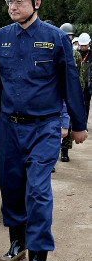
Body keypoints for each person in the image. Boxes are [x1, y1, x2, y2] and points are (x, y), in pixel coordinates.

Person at [0, 0, 88, 261]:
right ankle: (18, 242)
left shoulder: (55, 38)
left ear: (36, 2)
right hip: (7, 127)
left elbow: (71, 81)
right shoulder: (1, 37)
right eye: (10, 0)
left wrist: (77, 123)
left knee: (38, 191)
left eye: (19, 0)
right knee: (12, 188)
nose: (12, 5)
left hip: (44, 127)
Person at [59, 23, 81, 162]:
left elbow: (77, 75)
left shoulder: (76, 54)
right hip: (58, 90)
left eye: (70, 36)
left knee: (68, 121)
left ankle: (65, 150)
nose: (68, 38)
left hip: (71, 91)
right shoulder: (57, 50)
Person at [77, 33, 91, 124]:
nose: (83, 47)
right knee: (76, 103)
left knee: (86, 103)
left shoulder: (91, 54)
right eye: (81, 45)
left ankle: (84, 123)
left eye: (85, 45)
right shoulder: (75, 54)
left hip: (87, 83)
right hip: (77, 83)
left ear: (89, 44)